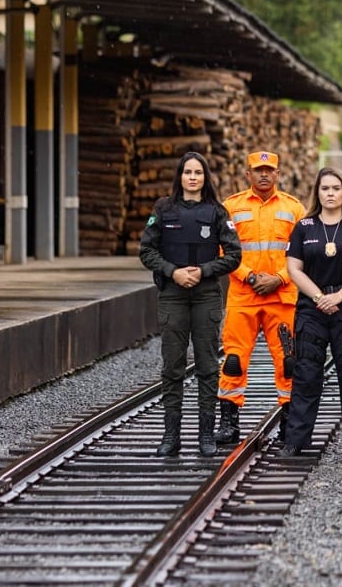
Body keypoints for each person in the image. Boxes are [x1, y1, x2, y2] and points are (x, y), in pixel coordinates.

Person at [139, 151, 242, 457]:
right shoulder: (164, 208)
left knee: (208, 367)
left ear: (205, 178)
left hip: (206, 295)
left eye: (198, 172)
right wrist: (173, 271)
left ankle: (206, 436)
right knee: (173, 366)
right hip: (172, 294)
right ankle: (171, 436)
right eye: (188, 172)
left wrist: (203, 271)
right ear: (180, 176)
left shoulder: (217, 212)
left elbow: (235, 255)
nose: (193, 177)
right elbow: (147, 251)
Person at [283, 167, 342, 462]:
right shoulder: (303, 227)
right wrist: (319, 297)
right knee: (306, 375)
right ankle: (296, 440)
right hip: (312, 307)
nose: (330, 193)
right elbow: (293, 268)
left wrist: (340, 296)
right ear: (318, 193)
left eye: (336, 188)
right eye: (325, 188)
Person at [215, 151, 306, 447]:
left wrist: (279, 278)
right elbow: (221, 250)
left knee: (288, 362)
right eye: (258, 170)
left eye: (269, 170)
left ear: (278, 174)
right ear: (247, 175)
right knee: (233, 361)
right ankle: (229, 421)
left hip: (282, 298)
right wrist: (250, 277)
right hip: (243, 296)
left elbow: (304, 251)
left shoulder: (294, 209)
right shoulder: (231, 207)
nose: (264, 175)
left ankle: (290, 422)